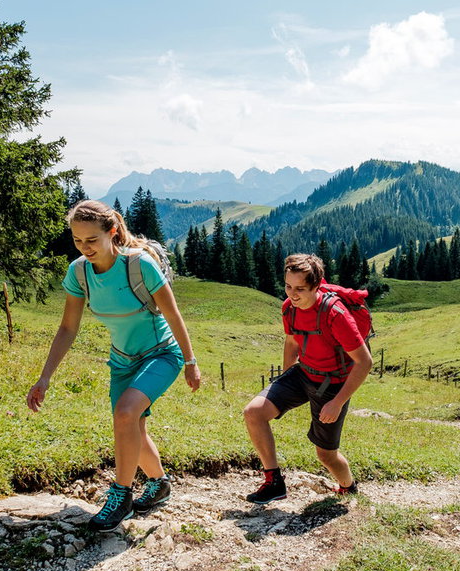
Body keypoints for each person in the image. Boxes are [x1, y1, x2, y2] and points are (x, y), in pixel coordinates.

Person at [27, 200, 201, 530]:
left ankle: (121, 496)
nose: (85, 248)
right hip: (122, 361)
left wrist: (191, 362)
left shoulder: (139, 265)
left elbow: (173, 314)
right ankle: (159, 483)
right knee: (131, 427)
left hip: (161, 354)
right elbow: (67, 328)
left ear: (113, 232)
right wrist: (45, 377)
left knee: (125, 413)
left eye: (91, 240)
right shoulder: (79, 272)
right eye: (78, 240)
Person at [241, 253, 372, 503]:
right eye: (288, 286)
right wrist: (283, 382)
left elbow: (364, 362)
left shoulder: (335, 314)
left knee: (326, 455)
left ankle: (348, 486)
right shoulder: (289, 308)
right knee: (254, 412)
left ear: (317, 285)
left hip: (332, 386)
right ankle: (274, 482)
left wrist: (338, 402)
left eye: (300, 288)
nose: (292, 294)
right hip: (302, 374)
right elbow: (291, 342)